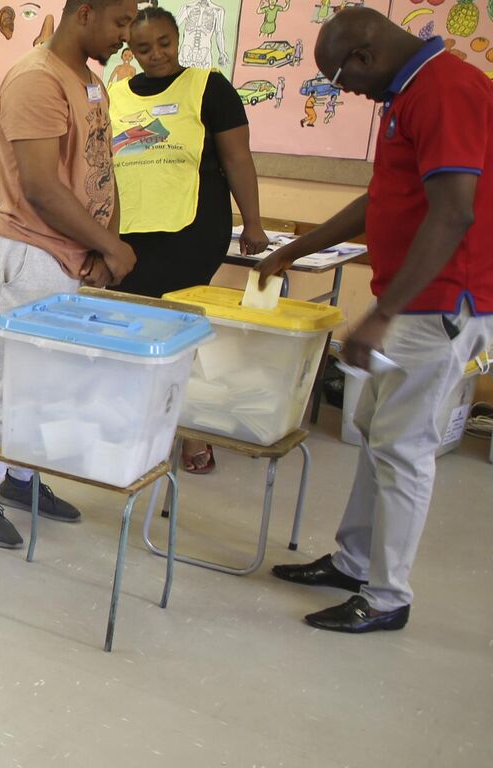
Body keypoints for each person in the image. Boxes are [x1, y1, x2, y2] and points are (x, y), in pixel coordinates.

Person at [259, 7, 493, 634]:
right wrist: (294, 249)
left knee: (404, 447)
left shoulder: (444, 90)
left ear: (362, 57)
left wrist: (381, 315)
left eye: (339, 79)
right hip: (410, 300)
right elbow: (384, 197)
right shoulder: (409, 93)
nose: (347, 93)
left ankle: (387, 597)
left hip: (439, 302)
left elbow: (454, 214)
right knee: (373, 428)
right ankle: (354, 560)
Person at [0, 0, 137, 550]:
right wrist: (111, 245)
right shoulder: (36, 80)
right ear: (84, 15)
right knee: (5, 382)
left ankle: (22, 479)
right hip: (31, 256)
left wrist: (105, 246)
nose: (127, 36)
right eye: (120, 22)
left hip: (74, 254)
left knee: (53, 383)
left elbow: (100, 168)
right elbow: (41, 187)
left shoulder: (90, 81)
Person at [109, 6, 268, 474]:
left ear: (178, 40)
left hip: (190, 231)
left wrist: (252, 222)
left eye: (164, 43)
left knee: (175, 332)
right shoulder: (115, 95)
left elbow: (238, 159)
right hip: (128, 233)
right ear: (129, 51)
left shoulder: (210, 87)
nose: (155, 55)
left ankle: (190, 430)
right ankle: (140, 429)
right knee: (129, 332)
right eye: (143, 48)